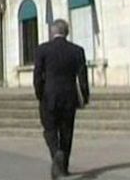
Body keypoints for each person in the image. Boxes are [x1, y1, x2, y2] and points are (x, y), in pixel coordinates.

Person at [34, 19, 89, 179]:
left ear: (52, 32)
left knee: (49, 129)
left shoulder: (42, 50)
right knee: (67, 131)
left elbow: (37, 76)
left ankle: (56, 152)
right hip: (69, 96)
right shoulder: (77, 50)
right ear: (67, 32)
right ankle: (63, 167)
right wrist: (84, 96)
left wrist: (39, 93)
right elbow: (83, 76)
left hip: (48, 96)